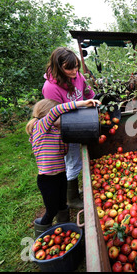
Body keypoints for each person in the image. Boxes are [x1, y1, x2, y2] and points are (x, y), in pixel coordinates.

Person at [26, 98, 100, 237]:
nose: (64, 118)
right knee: (52, 210)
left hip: (60, 175)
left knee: (62, 205)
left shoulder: (56, 131)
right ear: (47, 116)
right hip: (47, 180)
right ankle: (41, 232)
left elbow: (63, 152)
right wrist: (83, 103)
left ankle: (63, 230)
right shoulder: (40, 128)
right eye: (62, 117)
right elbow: (56, 110)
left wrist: (65, 134)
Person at [42, 47, 96, 209]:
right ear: (58, 67)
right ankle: (71, 198)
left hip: (82, 120)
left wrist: (97, 104)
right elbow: (55, 118)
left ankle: (77, 188)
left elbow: (88, 94)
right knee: (73, 161)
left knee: (82, 156)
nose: (74, 71)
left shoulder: (78, 76)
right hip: (66, 127)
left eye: (76, 66)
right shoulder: (50, 88)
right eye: (69, 68)